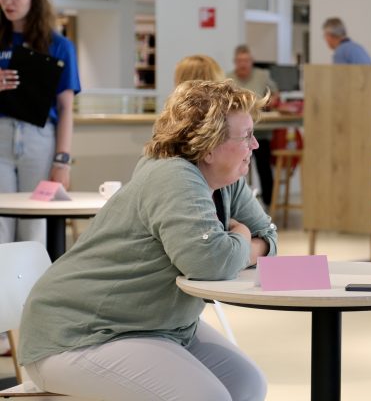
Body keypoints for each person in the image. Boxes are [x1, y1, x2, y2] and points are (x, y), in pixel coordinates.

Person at [18, 80, 278, 400]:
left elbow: (268, 236)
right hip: (80, 334)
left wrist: (243, 246)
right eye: (246, 135)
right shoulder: (172, 175)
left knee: (249, 385)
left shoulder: (227, 180)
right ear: (208, 146)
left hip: (161, 325)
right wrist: (240, 236)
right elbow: (210, 262)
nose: (255, 145)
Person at [0, 0, 81, 245]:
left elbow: (66, 107)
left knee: (34, 227)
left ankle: (31, 290)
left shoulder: (58, 45)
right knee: (1, 226)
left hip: (39, 139)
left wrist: (63, 160)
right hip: (1, 137)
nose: (7, 2)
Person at [226, 44, 278, 207]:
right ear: (235, 62)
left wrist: (269, 103)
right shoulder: (228, 78)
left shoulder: (262, 75)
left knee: (264, 168)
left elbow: (275, 95)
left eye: (246, 60)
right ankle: (235, 205)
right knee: (234, 169)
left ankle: (270, 204)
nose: (243, 64)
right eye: (240, 61)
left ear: (252, 61)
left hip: (260, 132)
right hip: (236, 134)